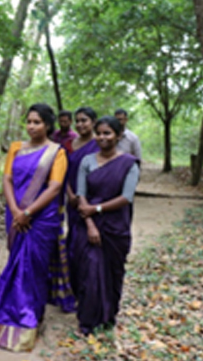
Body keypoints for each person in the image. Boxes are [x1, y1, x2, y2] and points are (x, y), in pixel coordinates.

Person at [0, 103, 73, 353]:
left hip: (41, 218)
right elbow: (7, 179)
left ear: (48, 125)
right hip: (15, 213)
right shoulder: (17, 148)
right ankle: (11, 315)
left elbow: (54, 187)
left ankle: (30, 318)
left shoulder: (57, 152)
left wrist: (28, 212)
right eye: (28, 122)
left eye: (37, 122)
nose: (31, 126)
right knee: (17, 261)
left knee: (34, 267)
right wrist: (16, 211)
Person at [73, 116, 140, 335]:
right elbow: (81, 194)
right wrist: (91, 223)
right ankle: (88, 321)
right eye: (99, 133)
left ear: (119, 135)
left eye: (107, 133)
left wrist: (97, 209)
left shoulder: (129, 163)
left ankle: (108, 315)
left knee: (112, 272)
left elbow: (126, 197)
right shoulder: (87, 161)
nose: (102, 137)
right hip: (88, 225)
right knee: (88, 271)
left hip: (115, 226)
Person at [65, 106, 99, 295]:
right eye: (77, 121)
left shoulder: (99, 144)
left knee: (89, 243)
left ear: (93, 122)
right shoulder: (69, 144)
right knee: (74, 241)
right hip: (72, 201)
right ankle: (73, 287)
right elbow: (63, 172)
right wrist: (70, 194)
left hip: (93, 199)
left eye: (84, 120)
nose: (80, 124)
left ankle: (90, 289)